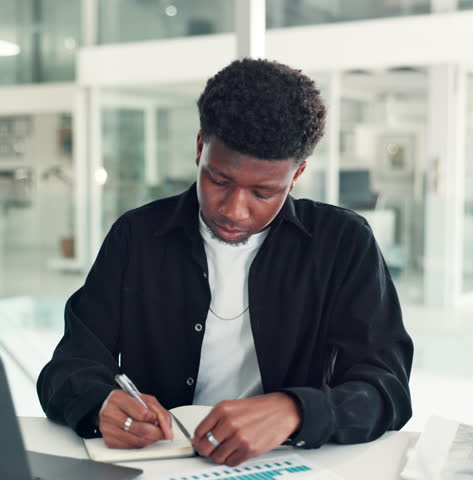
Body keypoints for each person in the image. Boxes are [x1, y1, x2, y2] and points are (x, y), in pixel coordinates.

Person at [37, 58, 413, 467]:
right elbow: (68, 367)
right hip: (160, 464)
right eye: (219, 181)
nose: (235, 211)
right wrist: (102, 402)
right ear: (200, 148)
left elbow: (386, 387)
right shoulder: (137, 237)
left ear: (297, 174)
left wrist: (295, 411)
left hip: (288, 465)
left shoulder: (342, 242)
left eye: (263, 193)